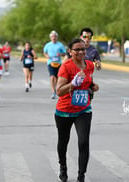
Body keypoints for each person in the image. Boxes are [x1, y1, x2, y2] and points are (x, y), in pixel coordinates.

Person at [54, 38, 99, 182]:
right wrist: (72, 84)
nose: (80, 52)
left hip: (83, 110)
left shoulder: (89, 65)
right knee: (63, 141)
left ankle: (81, 176)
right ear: (70, 51)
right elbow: (59, 91)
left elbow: (88, 82)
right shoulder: (66, 67)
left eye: (83, 49)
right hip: (64, 111)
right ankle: (63, 166)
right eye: (77, 49)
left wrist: (93, 86)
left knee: (84, 142)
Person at [43, 30, 66, 99]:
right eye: (52, 36)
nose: (54, 38)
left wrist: (61, 54)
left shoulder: (60, 45)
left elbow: (64, 53)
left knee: (57, 78)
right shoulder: (48, 45)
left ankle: (55, 89)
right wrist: (46, 56)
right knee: (52, 77)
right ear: (50, 38)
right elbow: (45, 52)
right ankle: (53, 92)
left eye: (55, 36)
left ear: (57, 37)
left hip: (58, 63)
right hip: (50, 63)